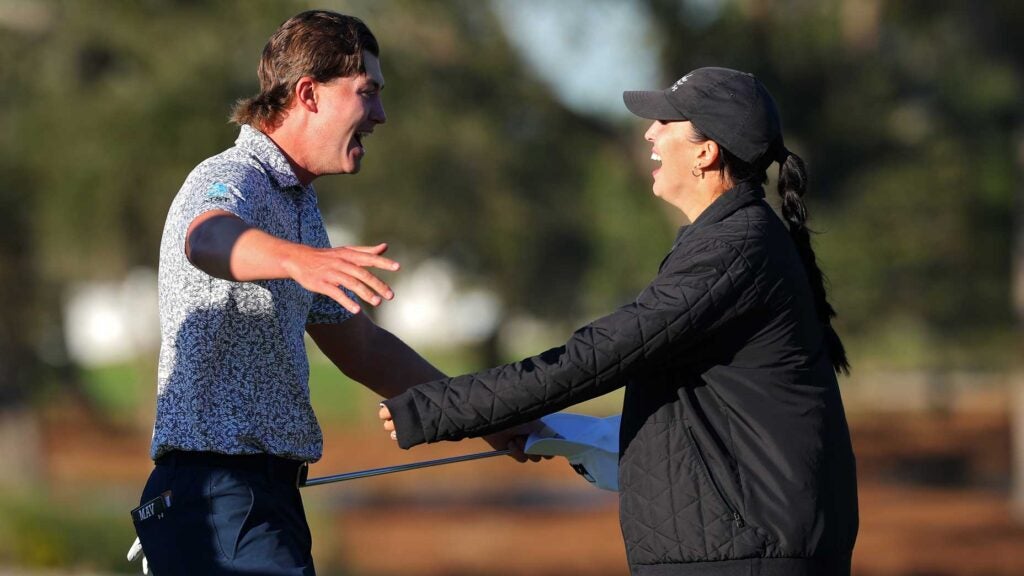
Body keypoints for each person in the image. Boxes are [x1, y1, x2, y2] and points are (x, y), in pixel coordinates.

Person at [380, 67, 859, 575]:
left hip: (744, 557)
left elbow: (600, 354)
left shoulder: (734, 248)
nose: (650, 133)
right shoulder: (730, 240)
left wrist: (439, 410)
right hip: (736, 551)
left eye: (666, 122)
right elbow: (703, 404)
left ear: (706, 152)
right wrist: (577, 434)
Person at [131, 10, 532, 575]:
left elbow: (362, 349)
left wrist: (483, 417)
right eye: (367, 92)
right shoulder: (233, 175)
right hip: (218, 499)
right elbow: (207, 236)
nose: (382, 115)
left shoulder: (300, 204)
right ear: (308, 94)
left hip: (260, 503)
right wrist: (301, 262)